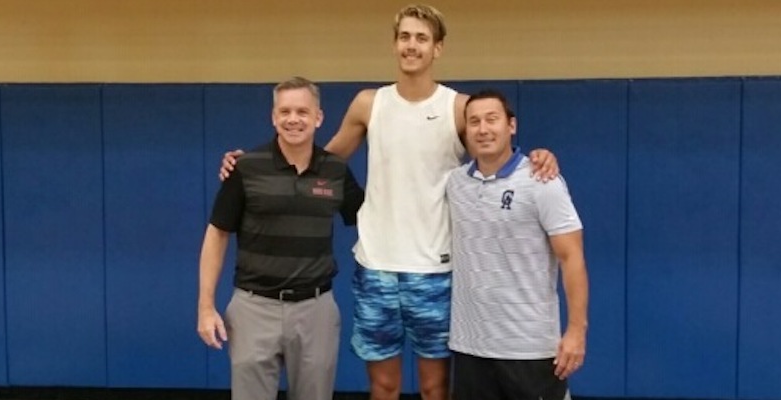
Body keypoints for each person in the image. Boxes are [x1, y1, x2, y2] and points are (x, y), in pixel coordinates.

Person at [219, 5, 561, 400]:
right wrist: (251, 164)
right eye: (404, 37)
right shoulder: (369, 103)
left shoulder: (456, 107)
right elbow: (318, 162)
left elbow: (495, 152)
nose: (411, 46)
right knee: (383, 386)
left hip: (435, 270)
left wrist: (538, 155)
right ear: (394, 44)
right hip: (377, 268)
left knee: (435, 388)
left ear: (438, 48)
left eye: (421, 38)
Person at [197, 76, 365, 400]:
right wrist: (205, 307)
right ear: (273, 117)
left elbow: (368, 220)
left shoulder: (335, 171)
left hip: (316, 311)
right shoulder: (245, 168)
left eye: (302, 111)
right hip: (253, 309)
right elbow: (217, 234)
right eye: (285, 111)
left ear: (318, 117)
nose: (293, 119)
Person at [446, 89, 588, 400]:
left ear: (511, 125)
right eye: (474, 122)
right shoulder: (455, 183)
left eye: (492, 119)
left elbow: (571, 256)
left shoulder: (542, 181)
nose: (483, 129)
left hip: (529, 348)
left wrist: (576, 331)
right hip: (470, 348)